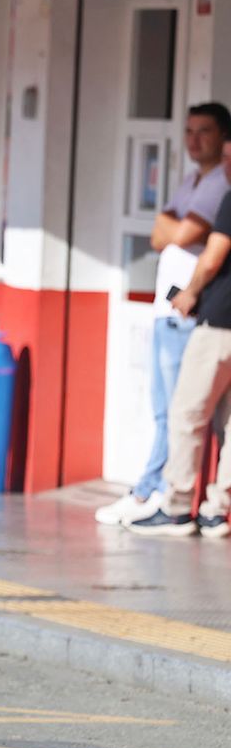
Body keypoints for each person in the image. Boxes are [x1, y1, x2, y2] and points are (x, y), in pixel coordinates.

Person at [98, 102, 231, 525]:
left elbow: (194, 242)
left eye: (205, 133)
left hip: (199, 316)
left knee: (181, 413)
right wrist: (170, 228)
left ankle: (165, 501)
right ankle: (204, 506)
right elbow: (161, 234)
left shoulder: (220, 191)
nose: (195, 140)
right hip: (186, 311)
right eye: (189, 131)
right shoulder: (196, 181)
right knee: (192, 415)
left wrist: (190, 290)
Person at [127, 183, 231, 539]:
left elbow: (213, 254)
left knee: (186, 414)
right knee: (229, 425)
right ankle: (217, 511)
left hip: (218, 323)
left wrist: (190, 292)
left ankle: (176, 509)